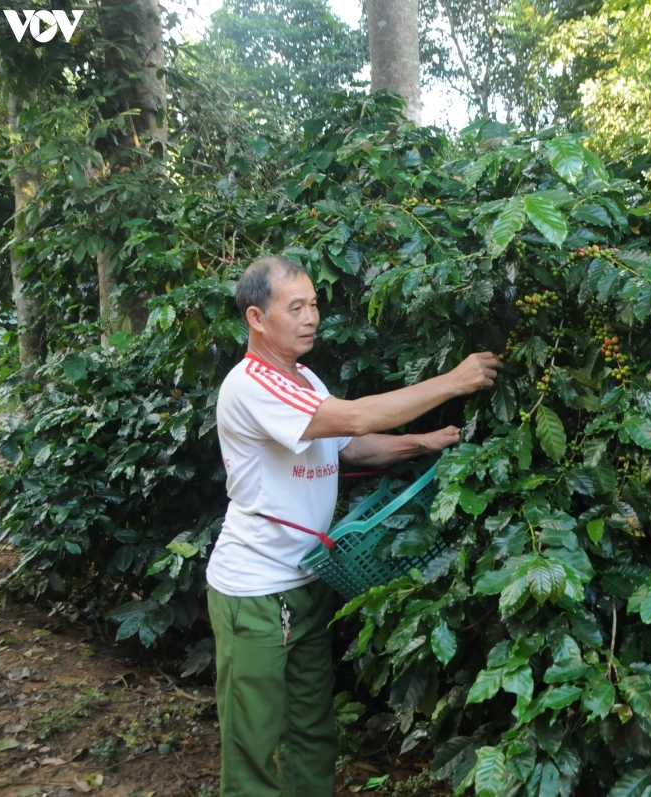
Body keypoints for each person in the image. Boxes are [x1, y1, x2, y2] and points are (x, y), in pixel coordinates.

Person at [205, 256, 502, 797]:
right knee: (253, 743)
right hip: (253, 593)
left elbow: (349, 444)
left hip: (307, 582)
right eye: (295, 307)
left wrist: (424, 442)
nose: (311, 316)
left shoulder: (305, 377)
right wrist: (453, 382)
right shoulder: (252, 385)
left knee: (313, 732)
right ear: (256, 317)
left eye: (314, 303)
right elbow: (357, 418)